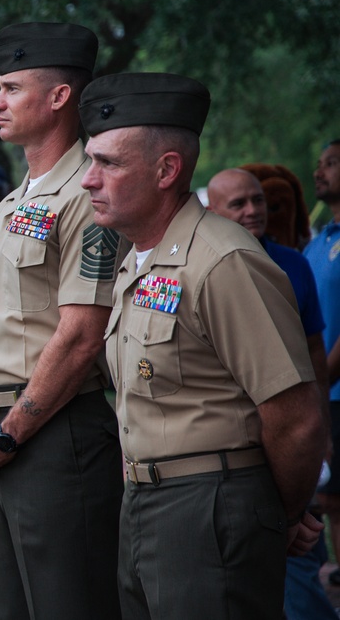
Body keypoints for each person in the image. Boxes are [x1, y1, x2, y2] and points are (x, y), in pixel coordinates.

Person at [79, 72, 325, 619]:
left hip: (211, 506)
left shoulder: (221, 259)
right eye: (89, 161)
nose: (87, 181)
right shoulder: (139, 257)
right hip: (146, 502)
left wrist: (276, 516)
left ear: (167, 169)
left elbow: (295, 418)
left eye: (108, 163)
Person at [0, 22, 124, 620]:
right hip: (2, 430)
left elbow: (79, 338)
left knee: (65, 603)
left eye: (11, 88)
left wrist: (10, 431)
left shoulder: (88, 195)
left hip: (57, 431)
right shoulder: (14, 202)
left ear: (58, 97)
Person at [207, 167, 333, 619]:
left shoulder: (293, 263)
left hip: (293, 432)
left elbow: (314, 349)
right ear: (212, 212)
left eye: (258, 201)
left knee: (300, 551)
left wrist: (318, 433)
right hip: (231, 446)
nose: (252, 211)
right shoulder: (203, 267)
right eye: (237, 204)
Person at [304, 139, 340, 586]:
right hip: (321, 391)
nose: (320, 172)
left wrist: (317, 382)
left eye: (332, 163)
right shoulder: (319, 242)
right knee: (329, 501)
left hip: (331, 389)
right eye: (319, 164)